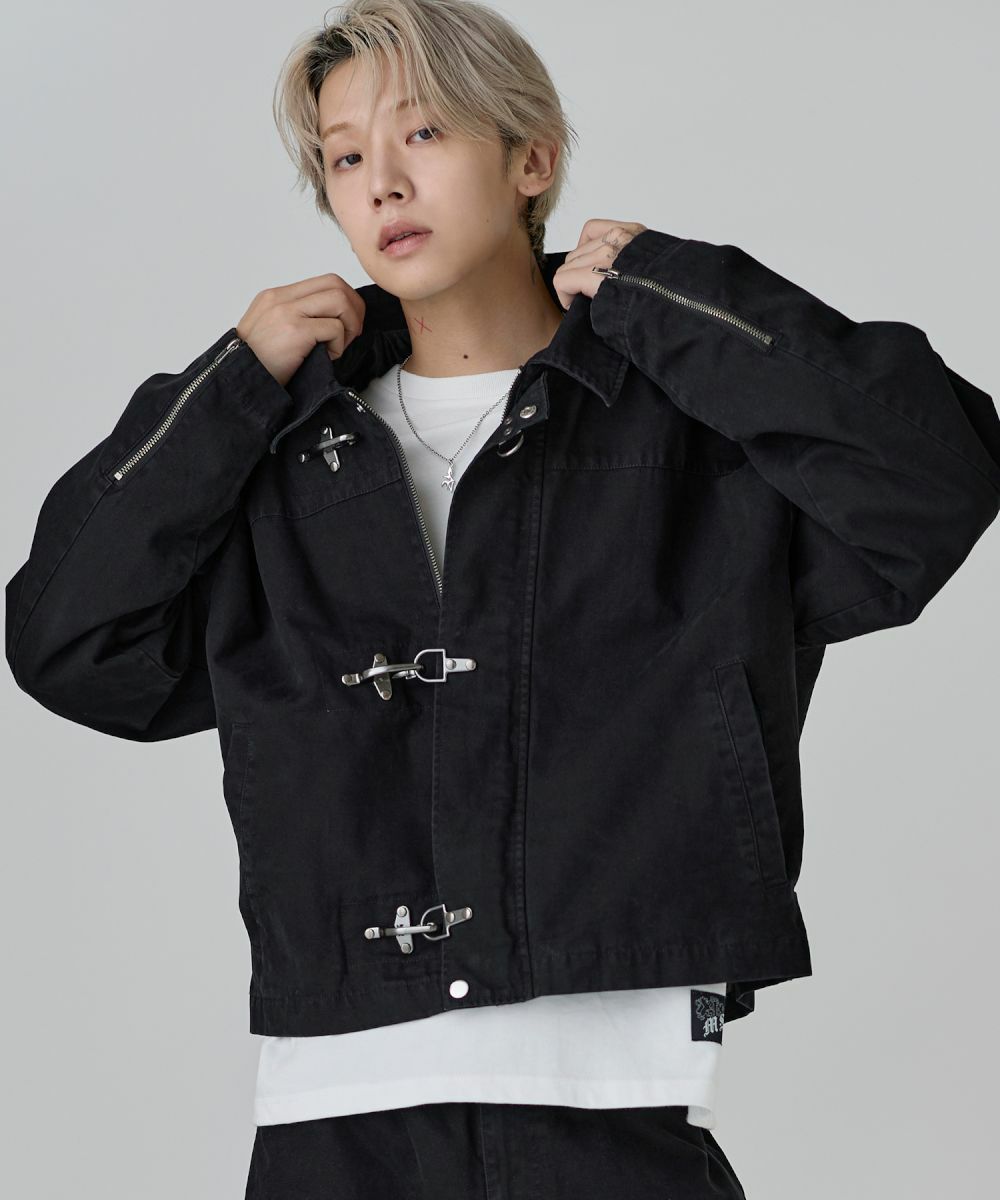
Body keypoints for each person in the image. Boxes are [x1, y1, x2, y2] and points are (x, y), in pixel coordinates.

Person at [6, 2, 998, 1198]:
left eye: (421, 133)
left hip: (616, 1093)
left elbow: (932, 479)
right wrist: (228, 389)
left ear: (531, 159)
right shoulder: (279, 456)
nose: (381, 182)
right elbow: (68, 645)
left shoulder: (692, 438)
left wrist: (671, 295)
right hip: (334, 1111)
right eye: (344, 157)